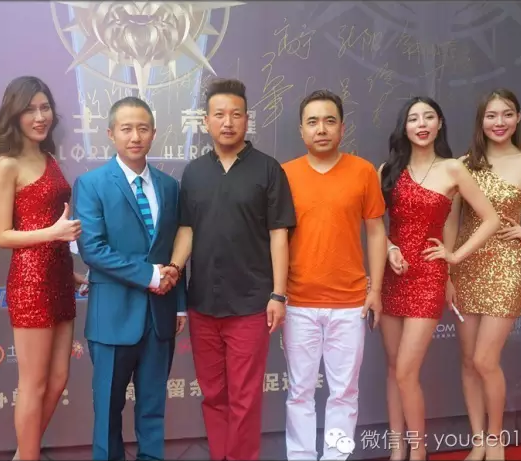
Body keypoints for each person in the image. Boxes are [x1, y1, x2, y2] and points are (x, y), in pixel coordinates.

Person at [168, 78, 296, 460]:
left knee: (244, 396)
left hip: (251, 303)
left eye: (236, 114)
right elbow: (187, 229)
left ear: (247, 120)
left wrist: (278, 294)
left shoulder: (268, 169)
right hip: (203, 303)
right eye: (219, 115)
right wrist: (174, 268)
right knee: (213, 394)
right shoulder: (194, 173)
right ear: (205, 121)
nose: (228, 122)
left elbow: (279, 235)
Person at [379, 96, 500, 461]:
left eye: (428, 117)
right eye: (414, 118)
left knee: (406, 370)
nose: (421, 124)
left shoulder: (453, 169)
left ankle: (419, 451)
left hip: (429, 277)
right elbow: (372, 225)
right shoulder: (387, 170)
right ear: (404, 127)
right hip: (393, 274)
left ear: (439, 123)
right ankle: (397, 448)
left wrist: (454, 257)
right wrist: (389, 248)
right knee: (393, 369)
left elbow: (491, 219)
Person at [73, 96, 187, 461]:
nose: (135, 136)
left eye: (142, 128)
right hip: (112, 318)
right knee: (108, 411)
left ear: (154, 133)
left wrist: (179, 305)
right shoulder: (90, 184)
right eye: (126, 129)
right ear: (111, 134)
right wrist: (149, 275)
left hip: (160, 316)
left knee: (153, 410)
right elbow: (93, 249)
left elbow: (174, 248)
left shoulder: (169, 186)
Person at [281, 90, 387, 461]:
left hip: (350, 302)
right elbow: (275, 238)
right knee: (300, 392)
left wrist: (376, 290)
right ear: (301, 130)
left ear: (342, 128)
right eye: (312, 122)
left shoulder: (363, 171)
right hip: (298, 302)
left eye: (329, 121)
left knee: (344, 393)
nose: (321, 129)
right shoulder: (285, 174)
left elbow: (376, 232)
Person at [0, 76, 83, 461]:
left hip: (60, 276)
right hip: (30, 281)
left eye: (45, 108)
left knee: (58, 379)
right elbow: (3, 235)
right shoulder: (6, 165)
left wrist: (71, 273)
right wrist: (53, 233)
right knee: (33, 383)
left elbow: (53, 221)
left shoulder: (51, 159)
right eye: (30, 109)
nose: (40, 116)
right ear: (15, 114)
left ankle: (22, 455)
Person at [450, 88, 521, 461]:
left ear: (518, 118)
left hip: (507, 268)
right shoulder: (463, 165)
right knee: (468, 361)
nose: (499, 122)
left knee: (485, 359)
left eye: (507, 114)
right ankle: (478, 440)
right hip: (465, 266)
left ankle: (496, 440)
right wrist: (448, 270)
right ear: (481, 121)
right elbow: (451, 223)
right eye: (491, 115)